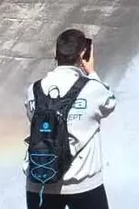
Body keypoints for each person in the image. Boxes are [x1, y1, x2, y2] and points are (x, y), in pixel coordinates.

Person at [25, 29, 117, 209]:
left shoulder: (33, 90)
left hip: (39, 182)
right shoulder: (93, 89)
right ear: (83, 54)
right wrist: (91, 72)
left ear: (56, 54)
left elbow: (33, 119)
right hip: (82, 183)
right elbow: (110, 103)